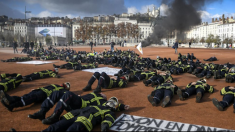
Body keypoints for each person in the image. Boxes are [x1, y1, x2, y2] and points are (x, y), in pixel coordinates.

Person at [42, 97, 129, 132]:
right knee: (55, 126)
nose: (110, 102)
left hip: (85, 121)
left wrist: (104, 127)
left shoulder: (110, 112)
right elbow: (80, 110)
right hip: (75, 116)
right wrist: (67, 116)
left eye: (113, 102)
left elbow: (108, 120)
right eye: (110, 101)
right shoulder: (98, 105)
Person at [0, 82, 70, 112]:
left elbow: (67, 95)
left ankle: (12, 104)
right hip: (40, 90)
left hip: (43, 94)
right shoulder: (56, 85)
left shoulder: (63, 91)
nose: (63, 84)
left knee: (28, 99)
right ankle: (10, 100)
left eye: (65, 85)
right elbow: (46, 86)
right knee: (25, 97)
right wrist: (37, 88)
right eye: (64, 83)